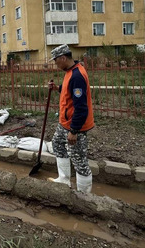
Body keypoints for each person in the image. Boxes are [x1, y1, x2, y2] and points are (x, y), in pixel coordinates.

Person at [48, 44, 95, 193]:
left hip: (75, 126)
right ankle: (63, 180)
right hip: (65, 123)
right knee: (57, 144)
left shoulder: (77, 75)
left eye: (56, 61)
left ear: (63, 58)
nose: (55, 64)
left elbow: (81, 107)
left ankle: (84, 195)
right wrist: (57, 88)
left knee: (79, 160)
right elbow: (69, 90)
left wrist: (74, 130)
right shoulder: (70, 72)